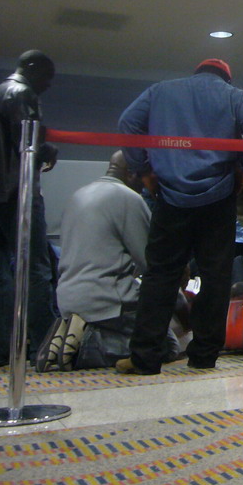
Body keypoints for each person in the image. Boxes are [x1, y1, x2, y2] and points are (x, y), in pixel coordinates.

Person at [115, 59, 243, 374]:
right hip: (218, 199)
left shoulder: (161, 91)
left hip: (169, 197)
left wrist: (143, 169)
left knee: (160, 276)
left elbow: (127, 124)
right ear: (225, 78)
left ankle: (145, 357)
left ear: (197, 73)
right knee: (215, 278)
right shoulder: (233, 96)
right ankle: (204, 356)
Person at [0, 51, 58, 368]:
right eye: (46, 76)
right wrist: (47, 148)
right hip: (16, 189)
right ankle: (44, 347)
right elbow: (26, 139)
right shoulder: (22, 93)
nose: (47, 85)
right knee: (36, 268)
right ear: (31, 70)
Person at [53, 151, 153, 367]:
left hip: (66, 298)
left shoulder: (78, 195)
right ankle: (89, 346)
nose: (145, 186)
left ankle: (76, 328)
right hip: (106, 300)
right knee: (164, 344)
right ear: (133, 174)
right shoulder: (128, 198)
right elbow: (152, 262)